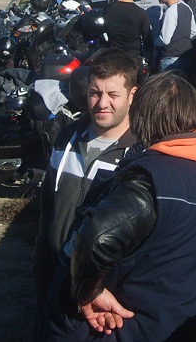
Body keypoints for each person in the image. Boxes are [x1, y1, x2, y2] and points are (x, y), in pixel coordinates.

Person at [36, 72, 196, 341]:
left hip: (114, 328)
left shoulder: (148, 180)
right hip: (181, 327)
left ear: (145, 122)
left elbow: (97, 238)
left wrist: (89, 292)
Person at [33, 49, 141, 331]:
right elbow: (48, 208)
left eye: (113, 95)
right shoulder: (67, 137)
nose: (102, 103)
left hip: (105, 296)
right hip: (56, 279)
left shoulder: (140, 155)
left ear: (132, 95)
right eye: (95, 93)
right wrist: (42, 269)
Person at [103, 0, 153, 65]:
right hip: (133, 58)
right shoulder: (141, 13)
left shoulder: (108, 9)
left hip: (113, 56)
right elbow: (147, 39)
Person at [154, 0, 195, 74]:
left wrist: (153, 42)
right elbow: (193, 31)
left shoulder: (170, 12)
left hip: (170, 58)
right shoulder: (187, 8)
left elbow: (165, 40)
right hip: (186, 56)